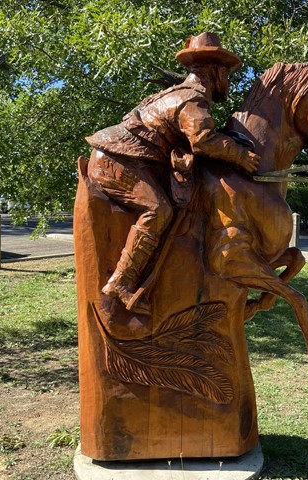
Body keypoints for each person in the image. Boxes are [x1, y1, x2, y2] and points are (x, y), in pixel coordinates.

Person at [85, 32, 260, 314]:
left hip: (128, 158)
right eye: (226, 74)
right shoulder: (192, 100)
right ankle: (120, 282)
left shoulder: (176, 94)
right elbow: (203, 140)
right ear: (214, 72)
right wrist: (240, 154)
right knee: (158, 210)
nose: (227, 81)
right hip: (114, 159)